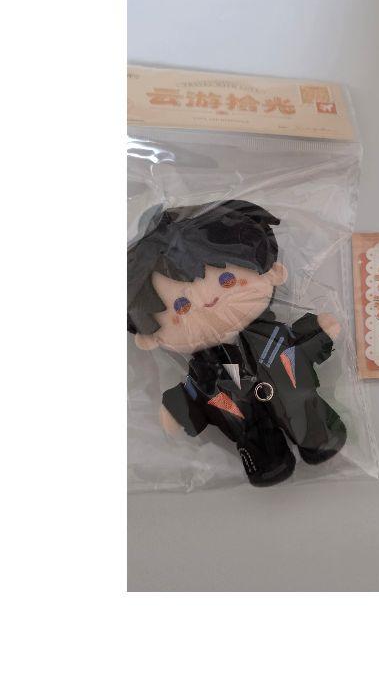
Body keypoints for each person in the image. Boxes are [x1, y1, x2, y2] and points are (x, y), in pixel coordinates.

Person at [127, 199, 346, 487]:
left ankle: (320, 437)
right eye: (181, 306)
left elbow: (299, 341)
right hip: (246, 423)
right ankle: (265, 460)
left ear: (272, 271)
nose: (208, 300)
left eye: (228, 280)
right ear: (149, 337)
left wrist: (318, 330)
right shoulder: (206, 372)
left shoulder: (272, 336)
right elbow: (194, 394)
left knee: (311, 420)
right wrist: (177, 409)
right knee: (259, 446)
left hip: (300, 402)